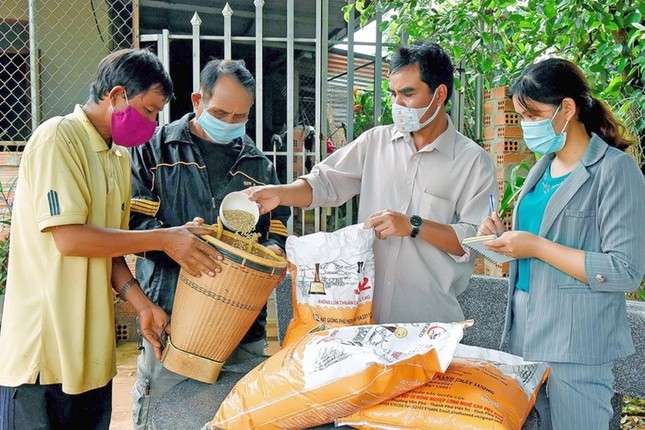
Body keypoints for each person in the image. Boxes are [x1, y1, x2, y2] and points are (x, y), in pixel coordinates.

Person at [0, 48, 223, 430]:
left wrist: (142, 306)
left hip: (91, 356)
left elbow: (109, 248)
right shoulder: (58, 138)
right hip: (44, 355)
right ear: (117, 95)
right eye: (149, 110)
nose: (153, 124)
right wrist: (165, 239)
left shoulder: (117, 157)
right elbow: (70, 239)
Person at [249, 42, 497, 324]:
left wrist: (414, 225)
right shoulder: (375, 142)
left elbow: (476, 240)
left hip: (429, 324)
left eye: (408, 94)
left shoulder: (473, 162)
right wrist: (278, 194)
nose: (397, 104)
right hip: (362, 317)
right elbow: (325, 183)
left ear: (439, 94)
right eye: (393, 93)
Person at [477, 58, 645, 430]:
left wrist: (535, 245)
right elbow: (536, 248)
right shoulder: (541, 168)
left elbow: (625, 270)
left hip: (578, 342)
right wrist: (501, 239)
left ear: (567, 108)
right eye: (521, 115)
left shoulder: (614, 170)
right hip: (525, 331)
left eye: (533, 114)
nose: (526, 126)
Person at [128, 58, 290, 429]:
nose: (230, 123)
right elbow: (132, 221)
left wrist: (276, 248)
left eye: (240, 116)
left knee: (235, 417)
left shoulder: (258, 165)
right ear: (197, 100)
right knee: (165, 416)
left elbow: (277, 225)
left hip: (242, 325)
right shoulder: (155, 150)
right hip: (172, 319)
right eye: (220, 112)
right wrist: (172, 241)